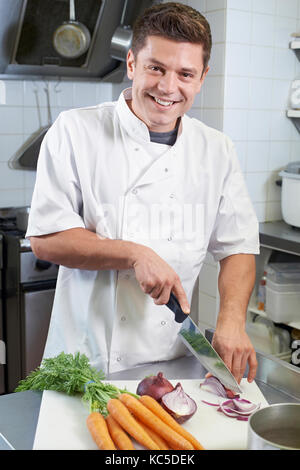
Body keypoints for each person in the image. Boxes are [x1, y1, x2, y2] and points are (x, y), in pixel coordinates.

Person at [26, 2, 259, 384]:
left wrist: (231, 321)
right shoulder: (74, 131)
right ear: (132, 64)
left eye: (186, 73)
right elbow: (46, 240)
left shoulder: (216, 149)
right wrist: (134, 254)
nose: (168, 87)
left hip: (168, 365)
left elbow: (238, 247)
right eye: (156, 68)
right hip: (84, 362)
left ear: (202, 77)